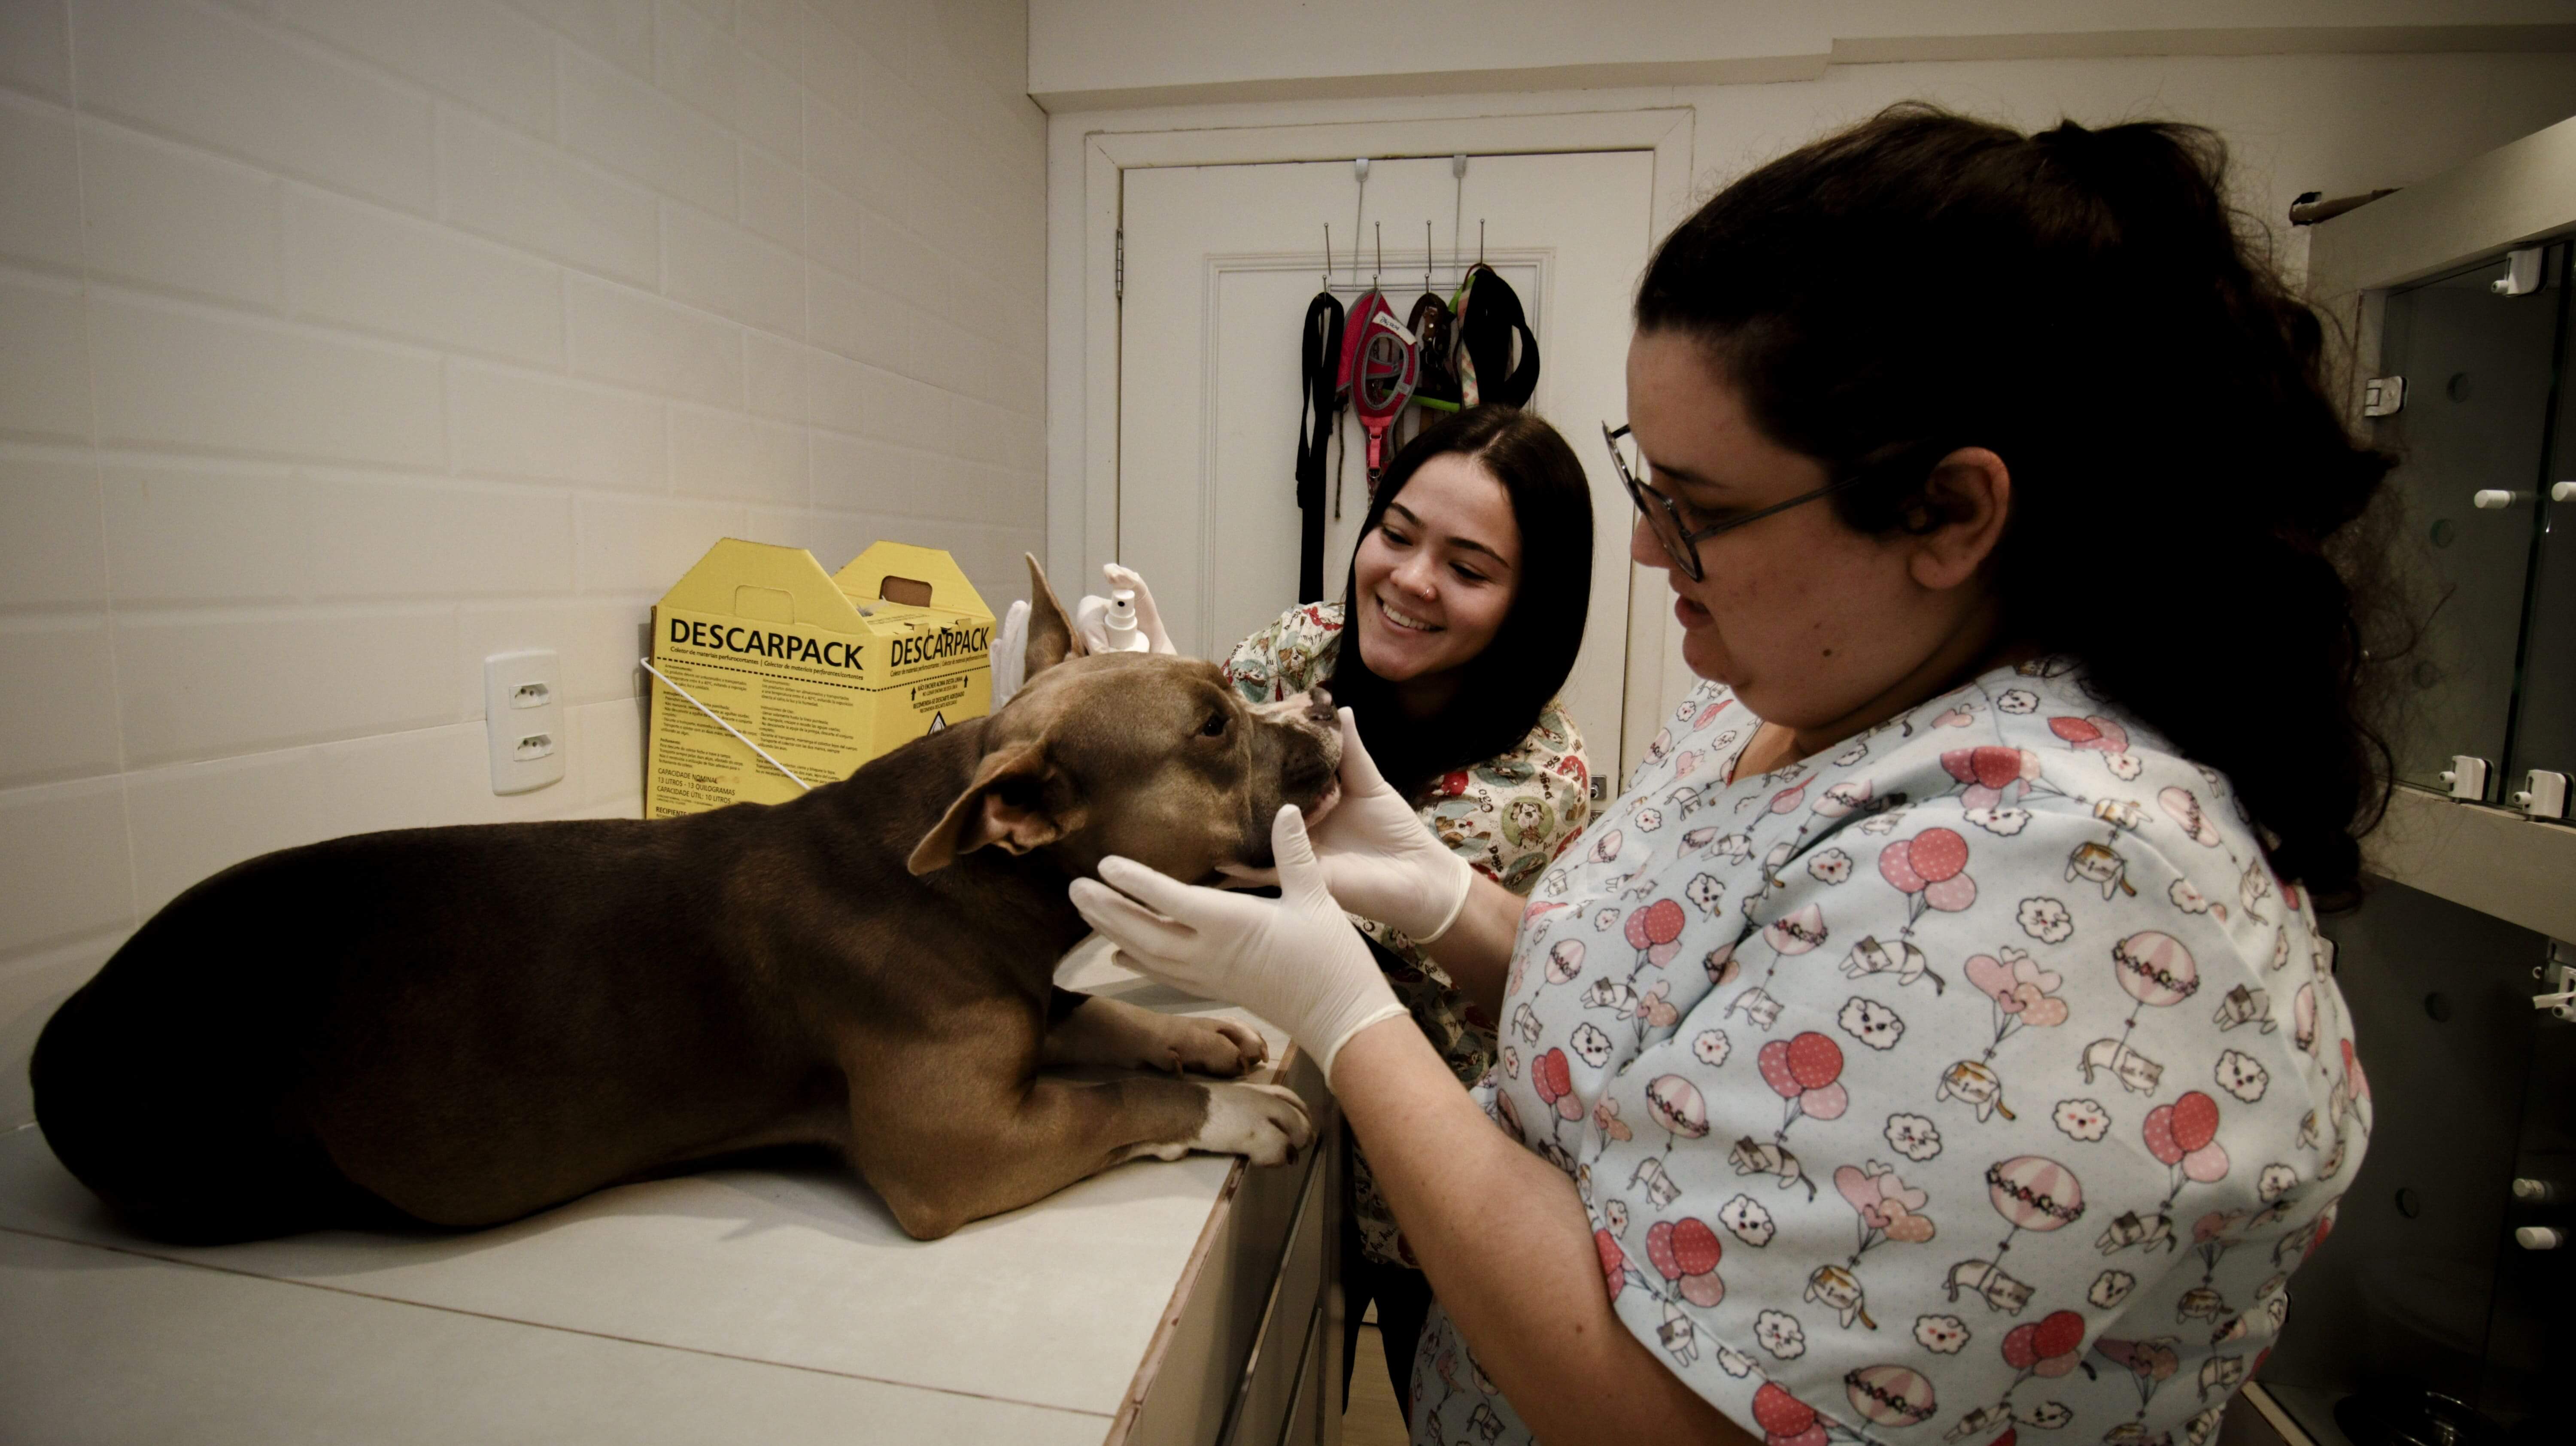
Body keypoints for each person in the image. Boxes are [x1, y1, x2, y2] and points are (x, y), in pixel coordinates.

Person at [1073, 105, 2384, 1446]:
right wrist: (1445, 900)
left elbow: (1658, 1415)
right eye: (1649, 483)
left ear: (1947, 513)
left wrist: (1343, 1011)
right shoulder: (1786, 695)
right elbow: (1664, 1021)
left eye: (1698, 508)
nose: (1649, 551)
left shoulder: (2072, 892)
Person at [1219, 403, 1598, 1403]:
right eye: (1396, 533)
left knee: (1435, 1392)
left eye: (1468, 569)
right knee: (1290, 1386)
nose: (1411, 580)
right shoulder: (1303, 646)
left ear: (1531, 603)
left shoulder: (1535, 780)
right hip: (1287, 1105)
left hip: (1426, 1166)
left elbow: (1254, 871)